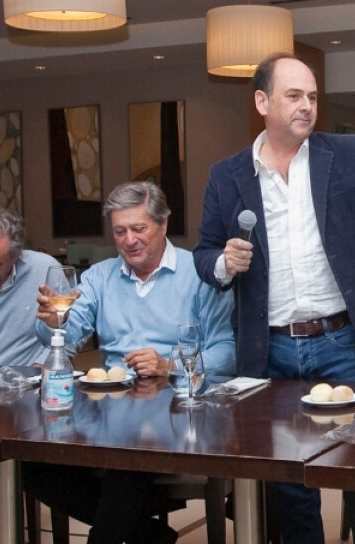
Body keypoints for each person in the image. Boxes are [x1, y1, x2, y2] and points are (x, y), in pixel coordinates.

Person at [193, 52, 355, 544]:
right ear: (262, 102)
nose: (307, 105)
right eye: (294, 96)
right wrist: (224, 262)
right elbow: (203, 253)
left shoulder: (345, 153)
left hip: (344, 340)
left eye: (311, 96)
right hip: (272, 348)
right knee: (291, 481)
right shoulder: (227, 176)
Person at [24, 181, 236, 544]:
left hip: (179, 414)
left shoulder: (199, 273)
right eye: (120, 231)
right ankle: (149, 533)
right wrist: (54, 322)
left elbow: (228, 351)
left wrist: (170, 365)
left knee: (130, 454)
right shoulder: (99, 276)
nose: (129, 240)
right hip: (110, 413)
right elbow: (67, 337)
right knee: (31, 463)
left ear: (163, 224)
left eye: (139, 228)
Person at [0, 208, 59, 367]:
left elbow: (72, 331)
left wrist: (44, 364)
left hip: (25, 377)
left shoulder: (45, 270)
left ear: (16, 256)